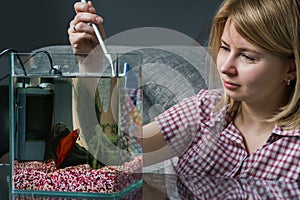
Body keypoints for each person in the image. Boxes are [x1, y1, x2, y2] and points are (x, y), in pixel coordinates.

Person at [68, 0, 300, 181]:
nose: (226, 67)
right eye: (225, 48)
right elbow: (112, 149)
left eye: (248, 57)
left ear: (291, 68)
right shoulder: (203, 111)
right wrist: (91, 65)